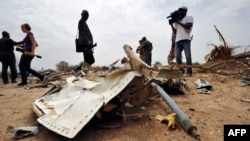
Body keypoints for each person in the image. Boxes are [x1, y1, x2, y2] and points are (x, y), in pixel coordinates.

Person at [173, 6, 194, 76]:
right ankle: (181, 70)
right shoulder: (177, 21)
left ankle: (189, 72)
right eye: (179, 10)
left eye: (181, 10)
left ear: (185, 11)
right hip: (177, 40)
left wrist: (178, 22)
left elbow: (188, 26)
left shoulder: (189, 18)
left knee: (188, 55)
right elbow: (175, 32)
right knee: (177, 56)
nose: (180, 12)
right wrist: (171, 25)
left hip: (186, 39)